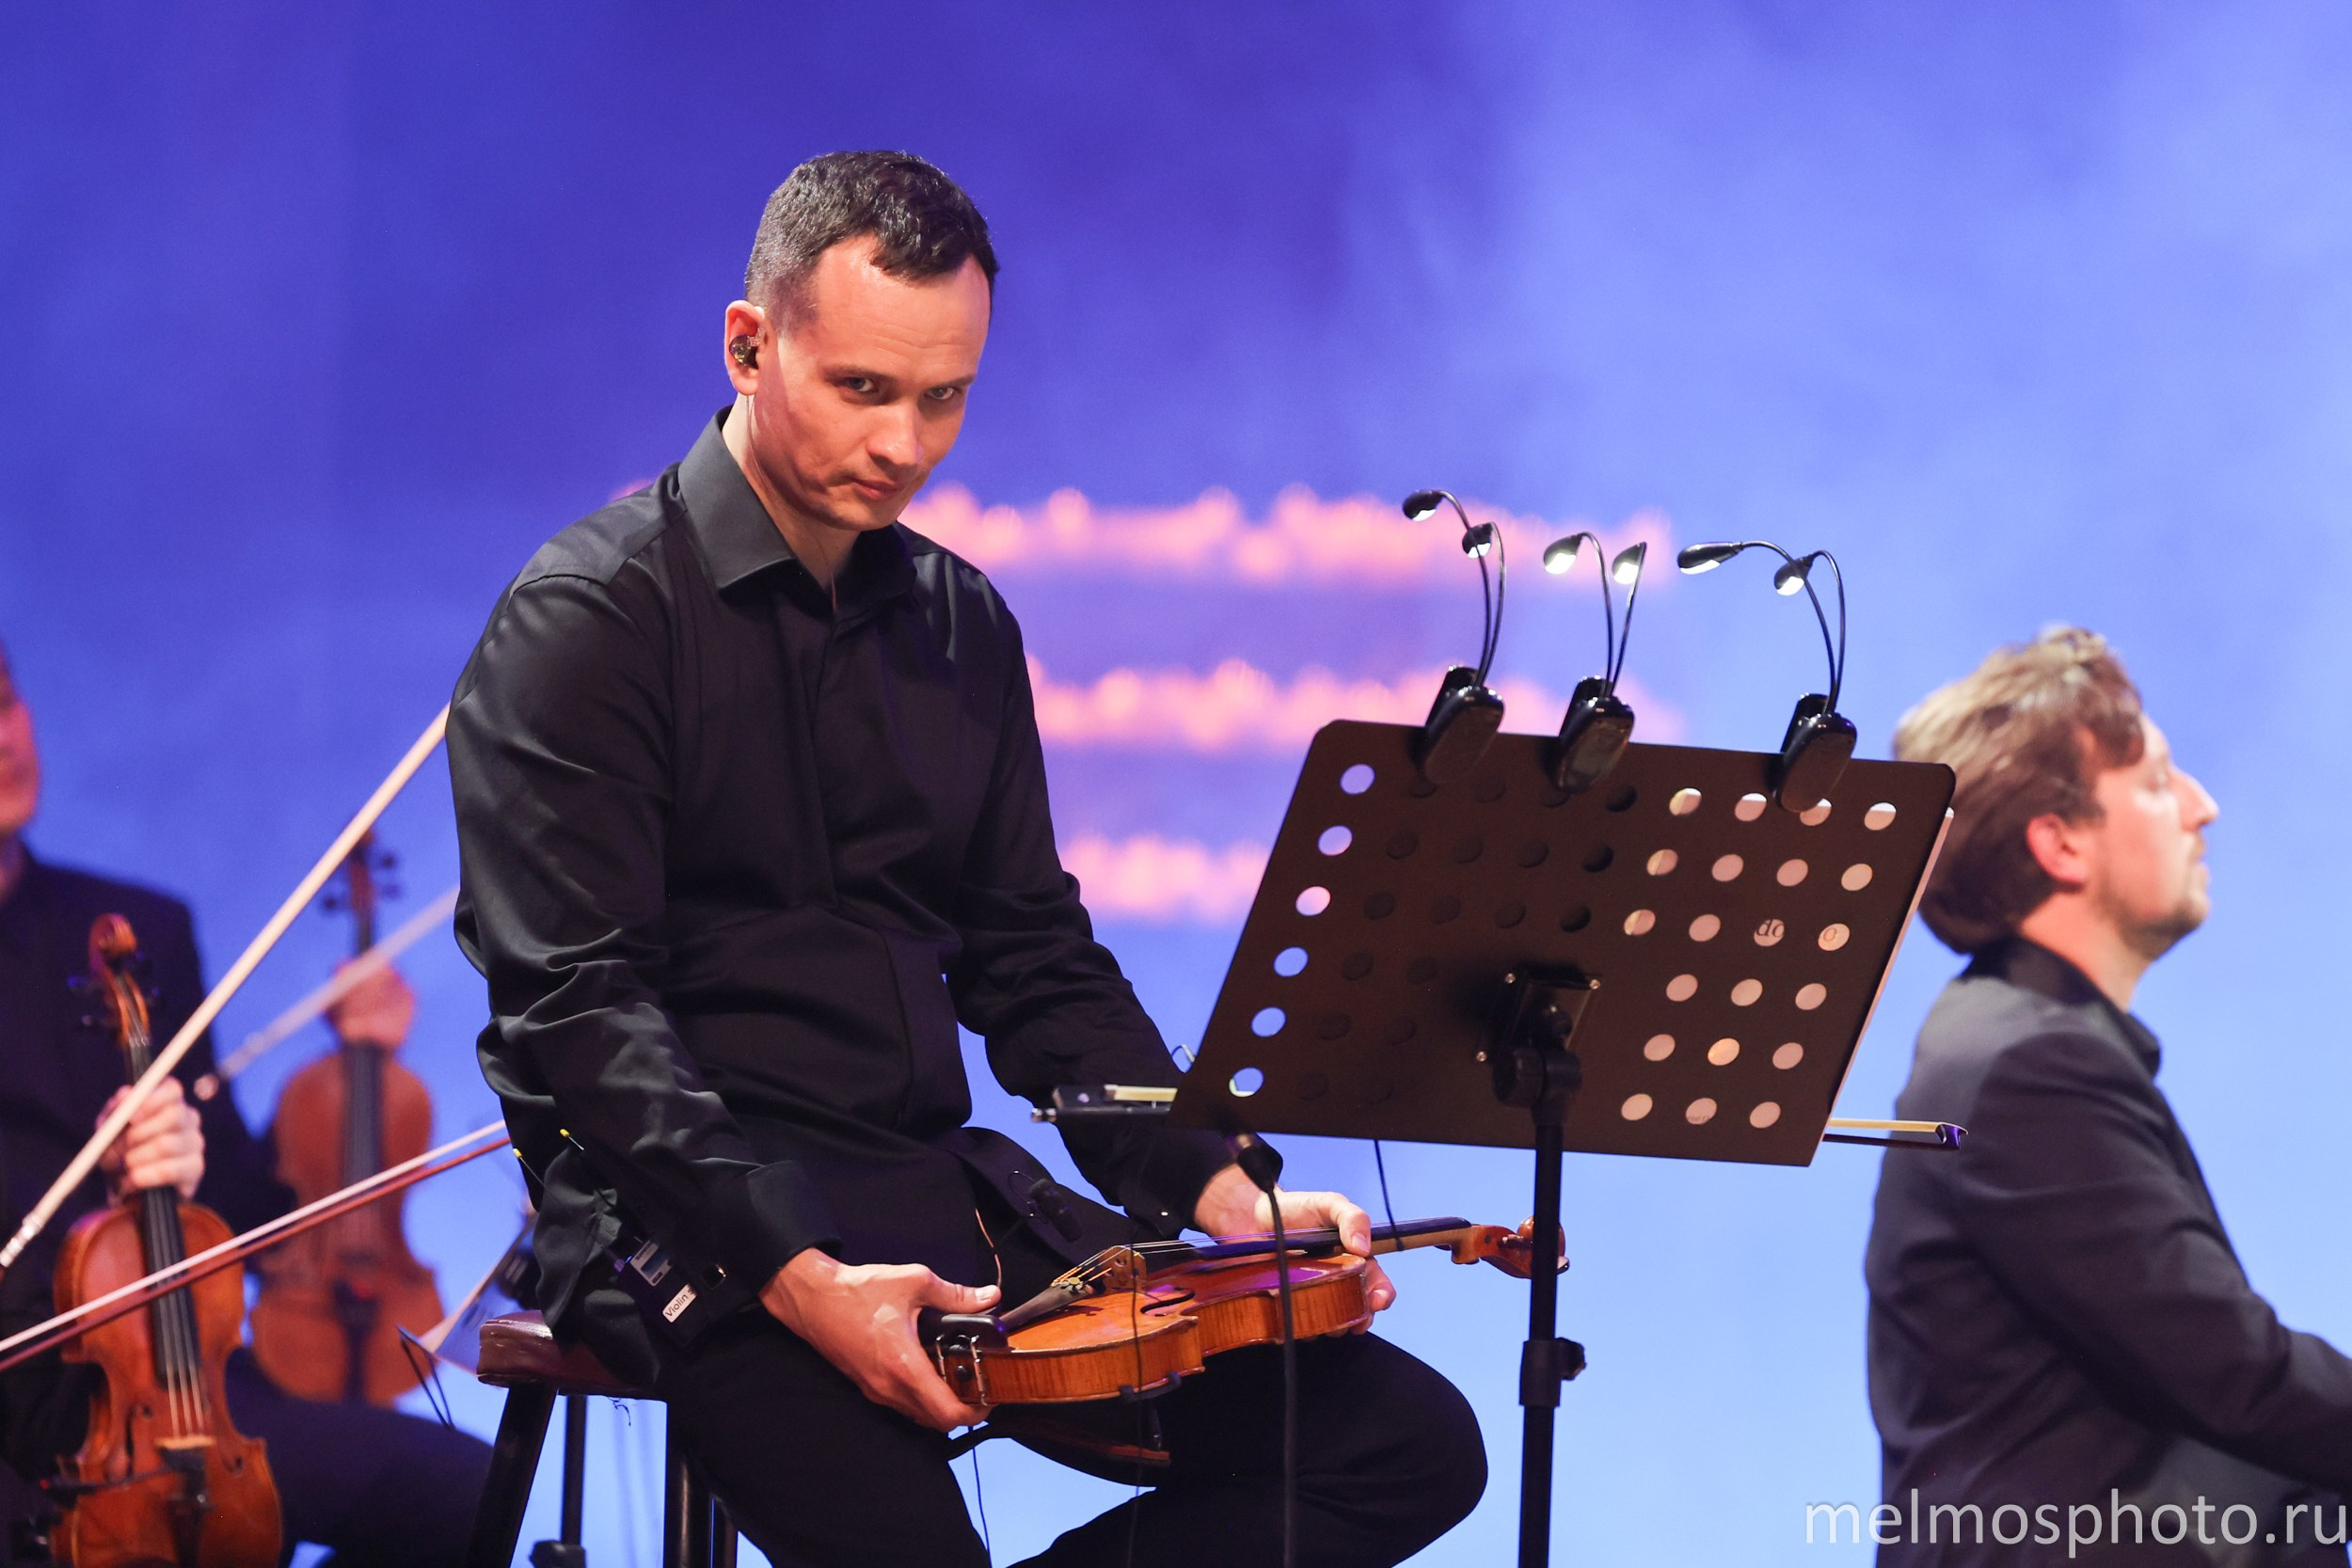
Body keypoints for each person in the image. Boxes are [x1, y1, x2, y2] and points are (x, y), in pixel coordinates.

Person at [448, 150, 1486, 1567]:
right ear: (751, 346)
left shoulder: (962, 624)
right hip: (687, 1218)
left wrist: (1218, 1192)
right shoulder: (587, 617)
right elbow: (581, 1010)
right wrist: (806, 1277)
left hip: (928, 1181)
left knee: (1404, 1447)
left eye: (946, 397)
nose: (908, 443)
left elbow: (1035, 961)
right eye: (865, 388)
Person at [1867, 627, 2352, 1567]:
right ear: (2059, 843)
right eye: (2161, 782)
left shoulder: (2014, 1044)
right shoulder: (2025, 1067)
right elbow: (2234, 1373)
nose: (2203, 808)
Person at [0, 639, 492, 1564]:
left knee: (464, 1492)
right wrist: (94, 1200)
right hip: (18, 1396)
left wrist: (345, 1071)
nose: (3, 741)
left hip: (186, 1392)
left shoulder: (132, 928)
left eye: (6, 702)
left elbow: (241, 1207)